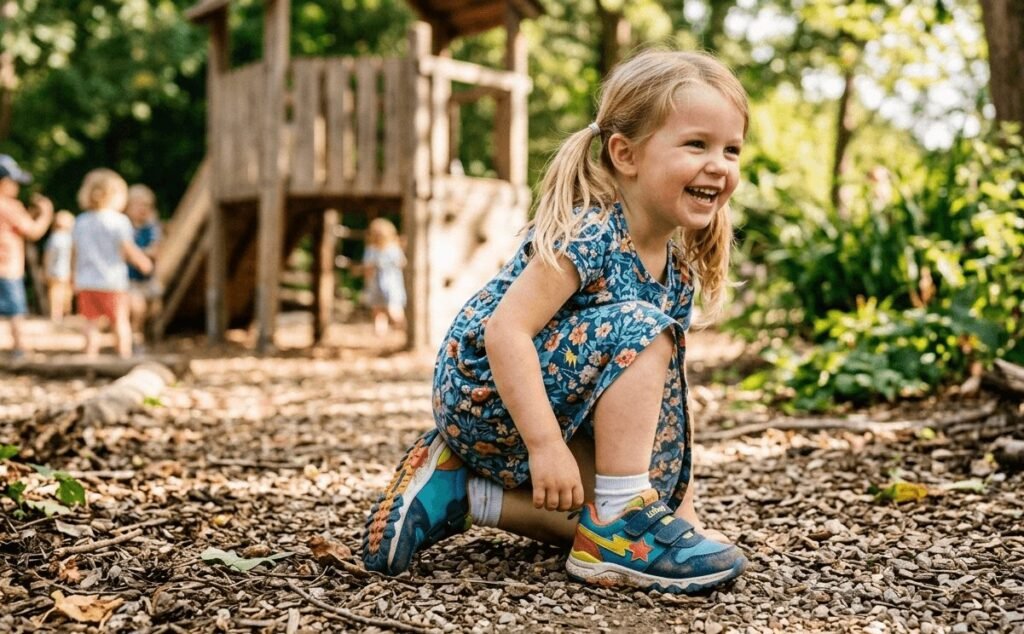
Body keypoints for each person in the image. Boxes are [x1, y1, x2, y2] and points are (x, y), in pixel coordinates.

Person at [362, 49, 750, 594]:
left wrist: (680, 519)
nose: (720, 165)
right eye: (697, 145)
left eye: (732, 149)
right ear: (625, 154)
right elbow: (506, 330)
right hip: (489, 393)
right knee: (641, 335)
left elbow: (666, 399)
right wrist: (545, 447)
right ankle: (616, 527)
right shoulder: (591, 232)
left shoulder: (677, 275)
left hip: (557, 406)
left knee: (635, 494)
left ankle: (461, 492)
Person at [72, 168, 152, 358]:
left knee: (90, 323)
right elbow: (128, 248)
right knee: (119, 321)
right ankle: (123, 355)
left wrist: (73, 276)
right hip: (112, 282)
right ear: (114, 196)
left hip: (87, 282)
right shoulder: (119, 221)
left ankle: (90, 357)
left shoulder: (81, 221)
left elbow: (75, 253)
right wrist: (143, 262)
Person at [0, 154, 54, 359]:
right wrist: (46, 214)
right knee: (16, 312)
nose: (17, 188)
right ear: (4, 183)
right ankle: (20, 348)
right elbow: (33, 231)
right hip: (8, 268)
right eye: (14, 183)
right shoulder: (9, 205)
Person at [124, 184, 162, 346]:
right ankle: (134, 336)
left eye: (147, 206)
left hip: (147, 278)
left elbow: (156, 250)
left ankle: (148, 335)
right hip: (129, 278)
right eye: (139, 205)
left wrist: (135, 254)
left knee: (154, 308)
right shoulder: (124, 226)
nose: (143, 209)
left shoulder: (152, 228)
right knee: (137, 308)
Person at [362, 217, 406, 337]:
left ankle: (404, 331)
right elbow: (367, 268)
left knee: (394, 311)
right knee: (378, 311)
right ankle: (380, 339)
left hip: (391, 285)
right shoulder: (371, 250)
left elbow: (401, 262)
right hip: (375, 285)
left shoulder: (393, 248)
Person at [43, 210, 75, 322]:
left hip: (60, 270)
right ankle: (57, 315)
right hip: (59, 271)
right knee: (58, 293)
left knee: (62, 294)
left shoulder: (57, 238)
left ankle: (61, 314)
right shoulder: (60, 238)